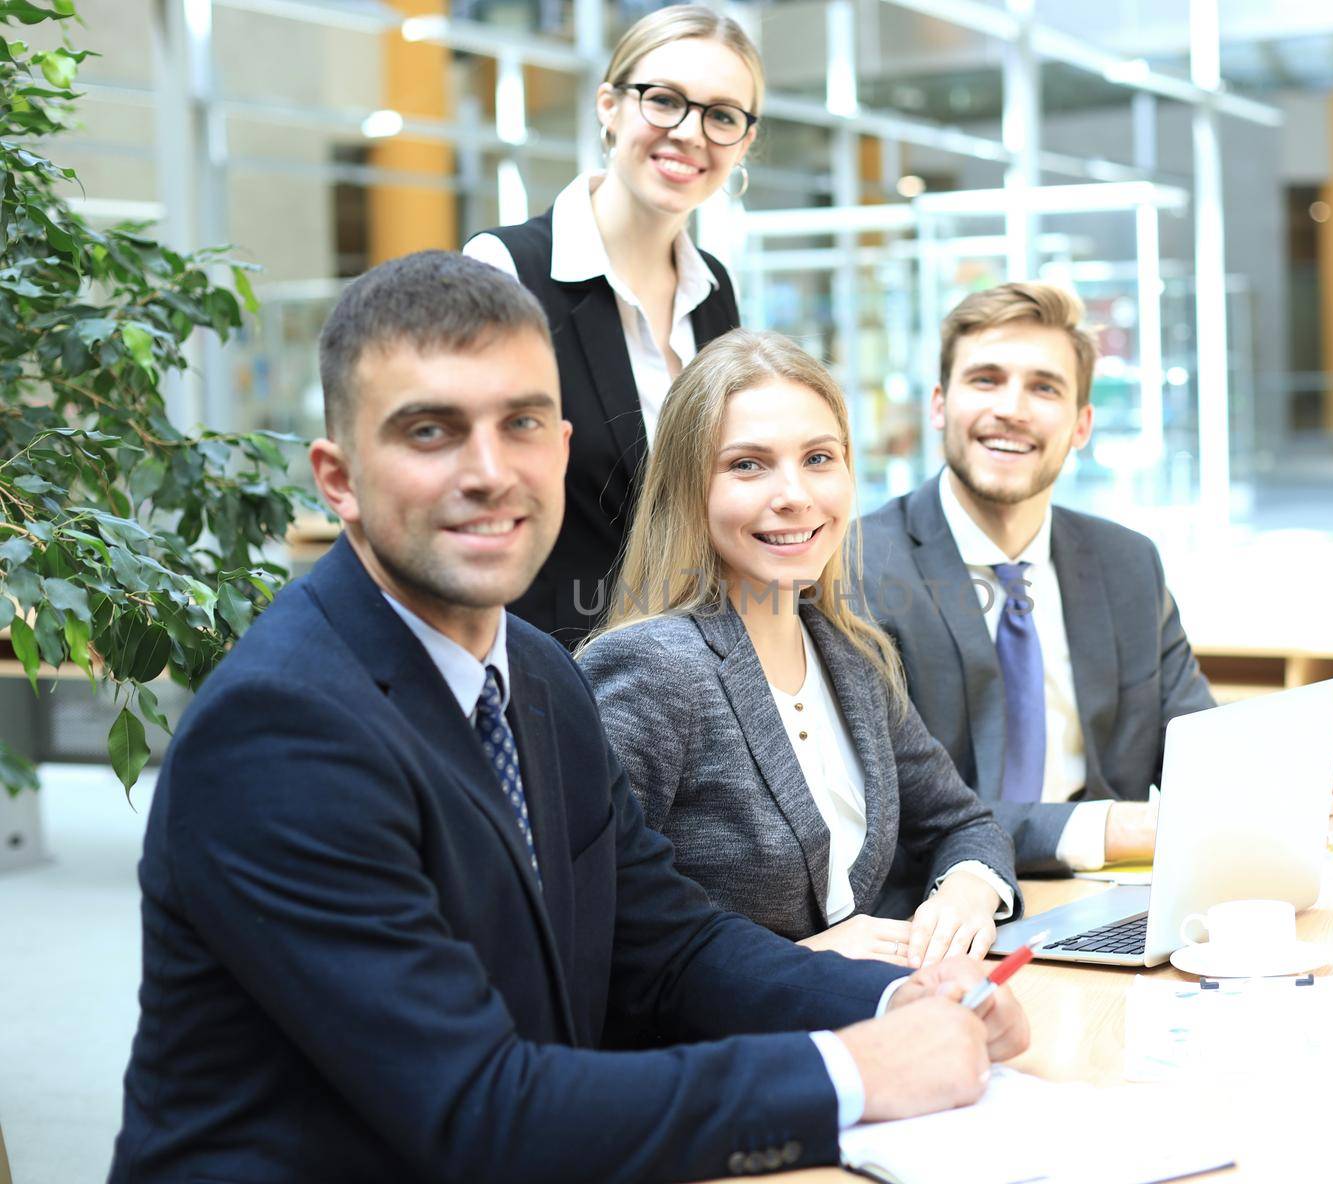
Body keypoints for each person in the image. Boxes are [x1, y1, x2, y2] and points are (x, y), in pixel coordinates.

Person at [108, 253, 1029, 1184]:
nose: (489, 472)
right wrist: (853, 1071)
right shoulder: (281, 734)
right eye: (431, 432)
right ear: (338, 479)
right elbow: (479, 1110)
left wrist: (901, 997)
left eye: (522, 426)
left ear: (562, 447)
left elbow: (672, 947)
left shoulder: (540, 678)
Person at [577, 330, 1019, 971]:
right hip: (735, 1055)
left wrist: (968, 892)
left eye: (819, 458)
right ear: (687, 488)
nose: (795, 495)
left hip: (882, 1020)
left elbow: (964, 824)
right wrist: (803, 960)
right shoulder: (653, 668)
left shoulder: (852, 655)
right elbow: (594, 924)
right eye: (747, 464)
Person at [858, 281, 1216, 878]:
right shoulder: (859, 570)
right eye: (986, 380)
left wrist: (1266, 795)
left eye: (1044, 388)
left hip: (1112, 899)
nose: (1013, 409)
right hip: (943, 911)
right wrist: (1112, 828)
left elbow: (1199, 753)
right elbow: (891, 814)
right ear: (939, 404)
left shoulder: (1127, 564)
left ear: (1081, 425)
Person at [465, 4, 758, 648]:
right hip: (548, 667)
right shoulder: (507, 270)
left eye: (721, 115)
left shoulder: (714, 290)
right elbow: (477, 493)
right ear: (609, 106)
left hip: (693, 672)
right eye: (664, 100)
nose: (689, 132)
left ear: (743, 141)